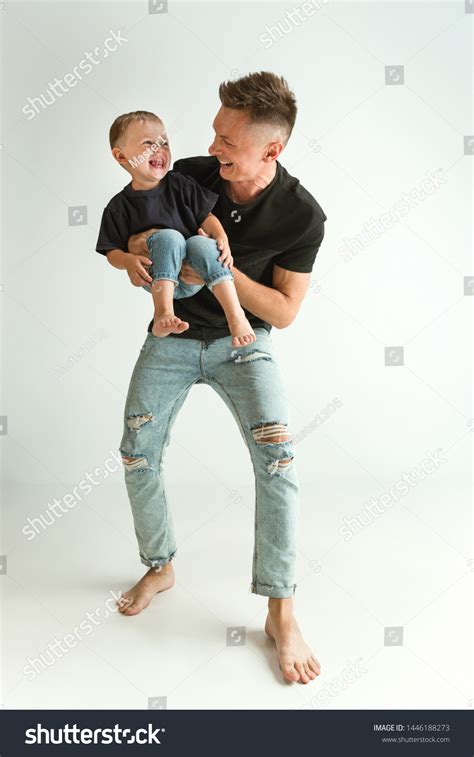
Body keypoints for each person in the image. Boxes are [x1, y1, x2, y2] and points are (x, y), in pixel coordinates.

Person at [107, 72, 327, 685]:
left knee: (279, 460)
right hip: (172, 338)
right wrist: (142, 260)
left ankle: (280, 611)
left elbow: (283, 311)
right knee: (136, 454)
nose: (213, 145)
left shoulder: (303, 215)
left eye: (227, 138)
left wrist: (219, 272)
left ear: (271, 150)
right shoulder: (190, 175)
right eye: (213, 131)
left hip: (244, 343)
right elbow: (133, 241)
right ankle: (160, 565)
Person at [96, 111, 255, 346]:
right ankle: (164, 313)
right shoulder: (118, 206)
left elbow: (206, 217)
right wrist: (128, 261)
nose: (159, 149)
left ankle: (236, 316)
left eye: (164, 143)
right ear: (120, 156)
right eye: (149, 144)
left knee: (202, 243)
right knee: (169, 237)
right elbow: (112, 252)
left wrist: (222, 238)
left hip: (195, 277)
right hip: (158, 280)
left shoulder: (180, 183)